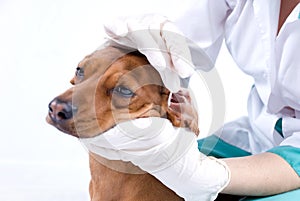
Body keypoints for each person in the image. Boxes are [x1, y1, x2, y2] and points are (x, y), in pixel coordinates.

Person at [84, 0, 300, 200]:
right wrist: (152, 52)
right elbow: (182, 52)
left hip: (292, 160)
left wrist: (209, 176)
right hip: (256, 133)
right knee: (148, 182)